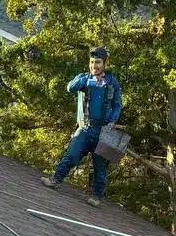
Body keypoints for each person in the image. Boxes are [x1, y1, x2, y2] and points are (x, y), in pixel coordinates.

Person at [42, 48, 122, 206]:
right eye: (92, 62)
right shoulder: (84, 78)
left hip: (103, 131)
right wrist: (84, 81)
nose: (94, 65)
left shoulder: (112, 82)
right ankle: (55, 180)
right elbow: (69, 87)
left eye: (98, 62)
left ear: (105, 63)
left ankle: (96, 197)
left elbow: (117, 105)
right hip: (86, 127)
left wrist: (113, 120)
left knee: (100, 167)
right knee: (71, 155)